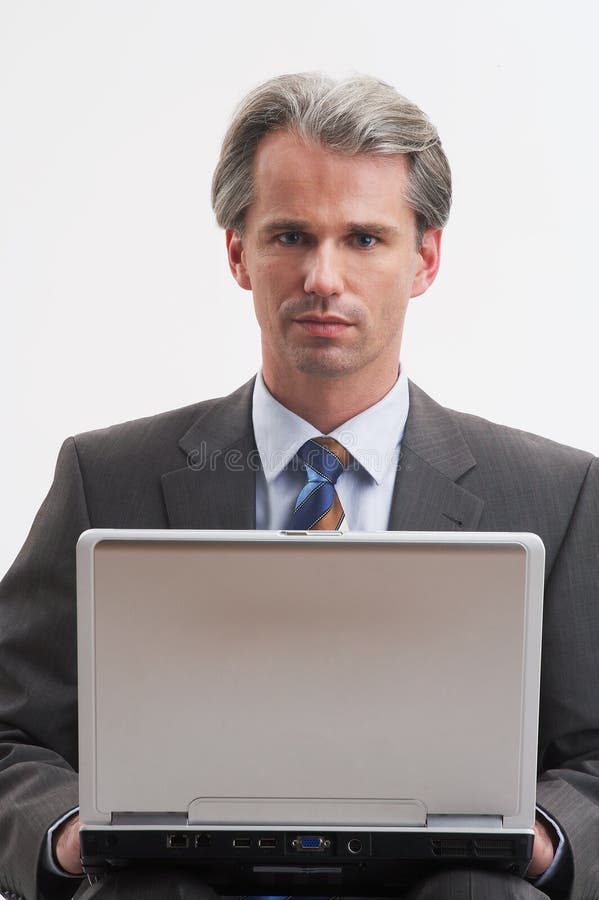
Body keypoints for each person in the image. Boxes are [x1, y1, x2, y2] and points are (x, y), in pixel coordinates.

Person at [0, 72, 597, 900]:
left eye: (362, 239)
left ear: (422, 259)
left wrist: (541, 839)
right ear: (237, 252)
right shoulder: (106, 479)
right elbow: (9, 731)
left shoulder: (555, 493)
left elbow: (595, 756)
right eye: (289, 236)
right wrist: (70, 834)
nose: (322, 276)